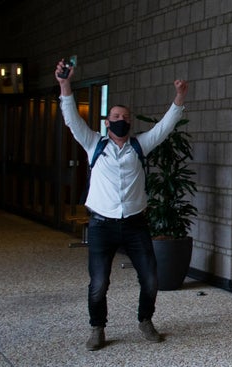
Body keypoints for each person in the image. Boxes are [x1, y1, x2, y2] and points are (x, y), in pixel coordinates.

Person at [55, 58, 188, 351]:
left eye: (125, 117)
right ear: (106, 121)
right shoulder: (94, 144)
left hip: (135, 225)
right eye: (115, 115)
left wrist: (179, 97)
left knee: (151, 278)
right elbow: (71, 119)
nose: (120, 119)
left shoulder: (140, 146)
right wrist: (65, 84)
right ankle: (97, 328)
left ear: (129, 122)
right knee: (99, 283)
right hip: (102, 225)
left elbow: (166, 126)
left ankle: (145, 320)